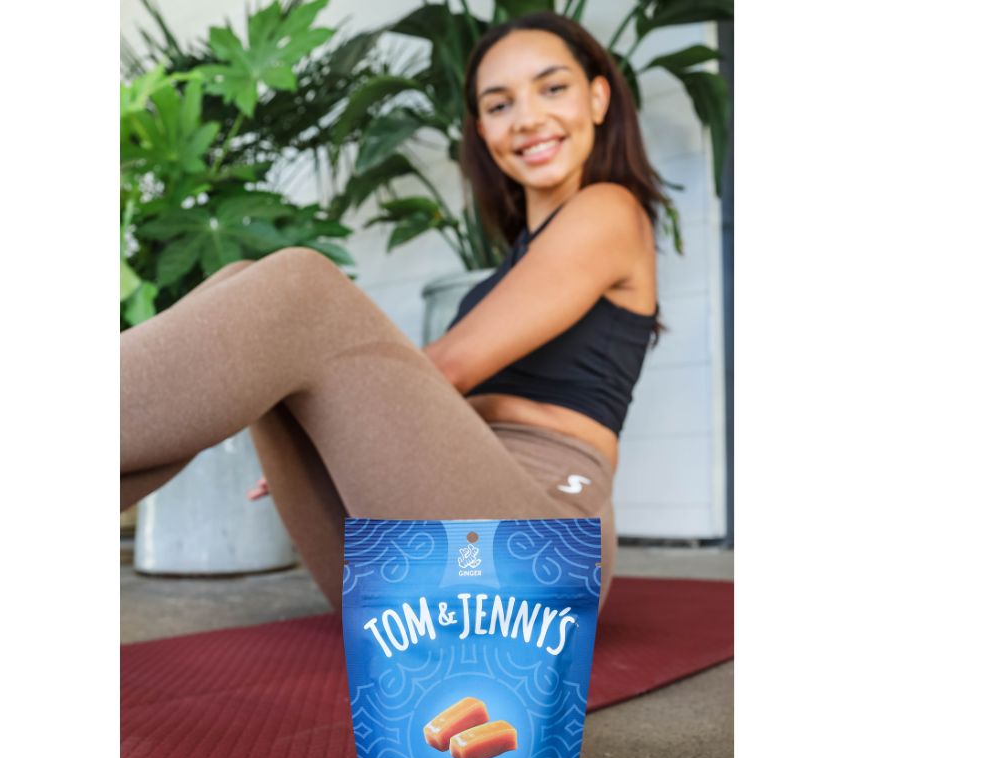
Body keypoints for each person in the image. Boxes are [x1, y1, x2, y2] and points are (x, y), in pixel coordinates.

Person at [120, 11, 668, 616]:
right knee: (237, 281)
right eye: (499, 104)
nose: (529, 117)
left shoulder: (610, 209)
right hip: (432, 538)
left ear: (597, 97)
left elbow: (452, 366)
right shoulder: (516, 260)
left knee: (301, 289)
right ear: (482, 130)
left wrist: (329, 408)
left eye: (553, 88)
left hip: (538, 543)